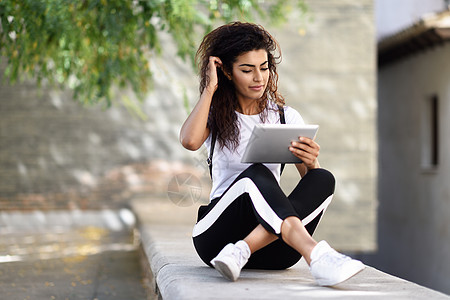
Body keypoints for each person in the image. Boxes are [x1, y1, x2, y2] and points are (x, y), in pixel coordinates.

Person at [179, 22, 365, 286]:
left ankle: (244, 248)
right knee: (255, 173)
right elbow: (189, 141)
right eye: (247, 69)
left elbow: (309, 183)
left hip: (275, 252)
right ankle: (316, 255)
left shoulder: (284, 117)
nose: (259, 78)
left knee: (323, 178)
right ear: (227, 73)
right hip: (218, 239)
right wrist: (210, 88)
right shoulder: (214, 114)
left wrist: (311, 161)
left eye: (264, 68)